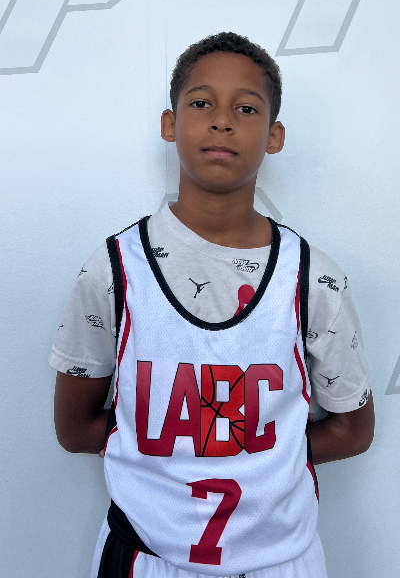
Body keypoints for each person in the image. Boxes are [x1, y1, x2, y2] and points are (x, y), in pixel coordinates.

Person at [51, 32, 374, 578]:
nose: (222, 121)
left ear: (274, 136)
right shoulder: (113, 269)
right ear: (170, 124)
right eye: (201, 103)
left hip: (282, 560)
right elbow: (75, 427)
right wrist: (176, 451)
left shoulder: (312, 277)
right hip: (145, 558)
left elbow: (352, 430)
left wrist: (256, 457)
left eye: (246, 108)